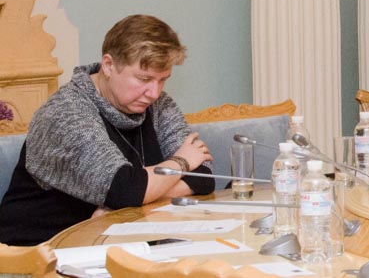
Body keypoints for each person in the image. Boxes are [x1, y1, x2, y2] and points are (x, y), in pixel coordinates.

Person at [0, 15, 214, 245]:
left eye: (162, 80)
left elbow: (203, 177)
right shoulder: (65, 112)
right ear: (109, 65)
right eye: (144, 79)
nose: (154, 92)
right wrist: (181, 162)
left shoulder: (159, 104)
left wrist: (124, 206)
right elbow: (125, 189)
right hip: (40, 250)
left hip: (117, 244)